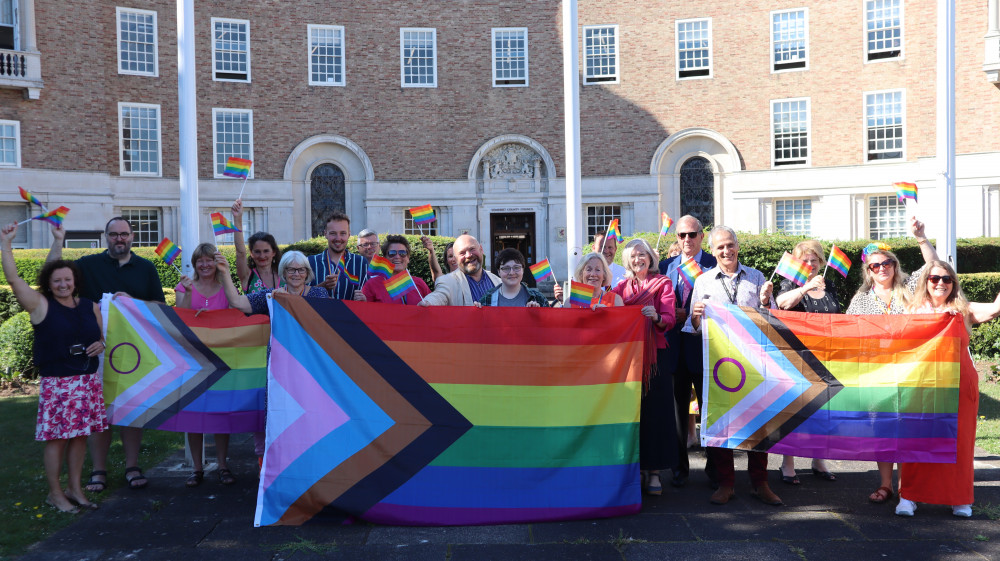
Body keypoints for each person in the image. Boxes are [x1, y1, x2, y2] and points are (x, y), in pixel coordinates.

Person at [48, 217, 164, 492]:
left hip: (135, 351)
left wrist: (134, 302)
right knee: (98, 410)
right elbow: (54, 275)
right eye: (114, 235)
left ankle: (132, 466)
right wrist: (57, 241)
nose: (119, 239)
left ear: (132, 236)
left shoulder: (146, 268)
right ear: (106, 237)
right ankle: (99, 470)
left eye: (124, 234)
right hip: (94, 349)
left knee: (132, 408)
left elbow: (160, 305)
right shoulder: (87, 265)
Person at [2, 223, 106, 513]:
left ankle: (75, 487)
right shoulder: (40, 306)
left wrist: (101, 343)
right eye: (57, 281)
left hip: (86, 381)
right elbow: (13, 279)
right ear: (49, 284)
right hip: (59, 384)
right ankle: (55, 493)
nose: (62, 284)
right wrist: (6, 245)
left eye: (67, 279)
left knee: (81, 435)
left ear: (75, 281)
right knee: (57, 438)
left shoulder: (89, 306)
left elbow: (98, 337)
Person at [845, 216, 939, 505]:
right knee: (883, 429)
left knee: (909, 427)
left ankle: (907, 486)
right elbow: (847, 333)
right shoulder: (860, 299)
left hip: (912, 368)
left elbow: (934, 268)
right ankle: (886, 485)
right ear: (869, 271)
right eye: (876, 265)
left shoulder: (910, 288)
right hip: (877, 373)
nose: (882, 268)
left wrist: (922, 238)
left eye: (887, 263)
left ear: (895, 266)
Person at [688, 225, 783, 507]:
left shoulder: (756, 277)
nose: (726, 251)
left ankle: (760, 482)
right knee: (721, 421)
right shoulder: (703, 282)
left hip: (754, 363)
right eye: (720, 247)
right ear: (713, 251)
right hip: (719, 364)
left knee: (758, 421)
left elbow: (771, 318)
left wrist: (766, 300)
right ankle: (726, 483)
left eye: (730, 245)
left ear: (738, 246)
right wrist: (695, 316)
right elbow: (692, 327)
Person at [896, 261, 1000, 517]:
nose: (940, 283)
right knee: (916, 438)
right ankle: (909, 496)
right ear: (926, 282)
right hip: (921, 384)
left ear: (953, 284)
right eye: (934, 279)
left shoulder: (963, 310)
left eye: (947, 279)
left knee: (960, 440)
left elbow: (997, 308)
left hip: (960, 384)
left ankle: (959, 498)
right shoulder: (912, 310)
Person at [610, 238, 677, 496]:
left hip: (655, 356)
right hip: (628, 357)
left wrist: (657, 317)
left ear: (650, 257)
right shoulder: (619, 289)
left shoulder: (663, 284)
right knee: (631, 412)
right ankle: (635, 467)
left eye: (643, 254)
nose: (638, 259)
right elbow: (609, 315)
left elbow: (669, 319)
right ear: (627, 261)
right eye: (633, 256)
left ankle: (655, 473)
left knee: (655, 413)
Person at [774, 240, 840, 485]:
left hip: (826, 356)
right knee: (795, 410)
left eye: (814, 260)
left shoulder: (829, 284)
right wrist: (805, 287)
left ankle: (819, 459)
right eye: (805, 260)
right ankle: (787, 463)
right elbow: (782, 304)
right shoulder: (790, 283)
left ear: (821, 262)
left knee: (823, 411)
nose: (810, 265)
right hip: (796, 358)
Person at [657, 215, 716, 487]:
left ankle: (716, 470)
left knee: (710, 410)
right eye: (681, 235)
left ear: (701, 236)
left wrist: (693, 314)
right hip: (673, 348)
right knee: (679, 411)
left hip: (704, 347)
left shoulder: (713, 264)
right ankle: (680, 469)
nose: (687, 240)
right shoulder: (666, 265)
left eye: (692, 235)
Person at [174, 243, 235, 488]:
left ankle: (222, 465)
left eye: (210, 260)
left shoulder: (225, 289)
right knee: (194, 416)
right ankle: (197, 469)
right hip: (193, 361)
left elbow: (235, 317)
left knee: (221, 415)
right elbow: (180, 317)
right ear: (195, 263)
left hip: (220, 360)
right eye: (201, 260)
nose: (205, 264)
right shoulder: (183, 286)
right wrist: (188, 293)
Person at [222, 250, 329, 315]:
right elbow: (236, 302)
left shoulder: (319, 294)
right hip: (279, 350)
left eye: (301, 269)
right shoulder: (271, 296)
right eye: (291, 269)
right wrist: (225, 271)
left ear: (307, 273)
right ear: (284, 272)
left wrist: (287, 301)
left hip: (308, 350)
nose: (296, 274)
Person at [419, 234, 501, 306]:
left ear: (481, 249)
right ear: (455, 258)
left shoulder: (498, 282)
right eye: (462, 253)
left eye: (472, 249)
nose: (468, 255)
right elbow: (439, 295)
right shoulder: (447, 282)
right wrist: (428, 302)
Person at [307, 212, 368, 300]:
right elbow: (301, 298)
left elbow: (369, 296)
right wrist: (322, 287)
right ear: (325, 234)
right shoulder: (311, 262)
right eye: (333, 233)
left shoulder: (360, 262)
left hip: (349, 313)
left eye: (343, 233)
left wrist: (364, 299)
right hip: (319, 313)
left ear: (349, 234)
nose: (338, 238)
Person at [360, 235, 431, 304]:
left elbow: (433, 309)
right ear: (385, 258)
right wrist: (362, 303)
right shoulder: (372, 285)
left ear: (408, 258)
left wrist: (432, 251)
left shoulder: (419, 283)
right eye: (392, 253)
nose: (397, 257)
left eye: (402, 253)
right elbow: (364, 312)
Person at [231, 199, 282, 293]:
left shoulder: (284, 276)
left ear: (273, 252)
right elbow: (240, 252)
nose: (262, 256)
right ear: (251, 253)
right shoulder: (247, 276)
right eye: (257, 251)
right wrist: (237, 219)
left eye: (266, 251)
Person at [477, 248, 548, 307]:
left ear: (523, 270)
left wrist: (539, 314)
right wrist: (476, 311)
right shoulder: (487, 299)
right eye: (506, 268)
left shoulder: (539, 298)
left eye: (516, 267)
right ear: (498, 272)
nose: (511, 273)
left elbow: (549, 322)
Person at [557, 252, 624, 308]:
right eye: (588, 269)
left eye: (597, 270)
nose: (593, 274)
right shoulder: (569, 303)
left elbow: (622, 324)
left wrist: (608, 313)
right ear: (581, 274)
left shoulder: (616, 301)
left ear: (604, 275)